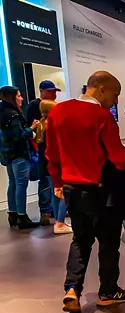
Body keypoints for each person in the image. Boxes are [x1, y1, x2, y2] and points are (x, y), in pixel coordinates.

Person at [46, 71, 125, 313]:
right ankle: (107, 292)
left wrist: (57, 182)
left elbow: (51, 154)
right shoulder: (102, 117)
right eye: (115, 94)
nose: (116, 101)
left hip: (72, 189)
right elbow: (119, 159)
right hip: (101, 191)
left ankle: (72, 289)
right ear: (102, 89)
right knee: (108, 243)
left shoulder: (58, 112)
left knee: (80, 240)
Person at [0, 86, 39, 229]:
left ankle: (13, 214)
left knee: (13, 183)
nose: (21, 98)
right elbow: (19, 136)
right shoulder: (13, 115)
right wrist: (32, 128)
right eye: (18, 95)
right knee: (21, 185)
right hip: (18, 154)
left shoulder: (2, 113)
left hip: (7, 155)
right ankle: (22, 217)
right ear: (11, 97)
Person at [26, 81, 61, 225]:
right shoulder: (34, 106)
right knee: (46, 183)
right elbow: (31, 129)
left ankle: (54, 210)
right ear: (42, 91)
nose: (54, 94)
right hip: (43, 153)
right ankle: (46, 212)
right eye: (51, 91)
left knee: (52, 183)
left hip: (47, 153)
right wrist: (36, 147)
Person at [36, 100, 71, 234]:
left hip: (45, 165)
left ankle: (58, 219)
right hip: (55, 165)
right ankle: (60, 222)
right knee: (63, 193)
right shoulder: (52, 125)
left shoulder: (40, 125)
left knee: (55, 192)